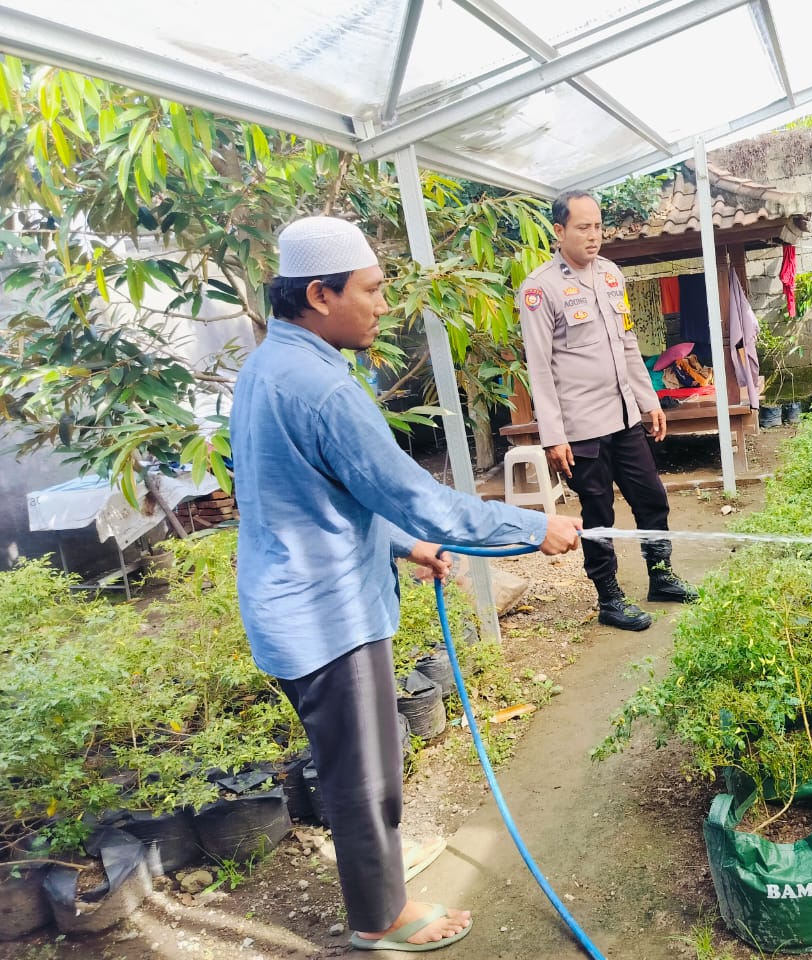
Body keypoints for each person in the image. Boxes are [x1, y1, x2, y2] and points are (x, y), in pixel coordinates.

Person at [231, 216, 582, 953]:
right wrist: (530, 528)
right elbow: (416, 496)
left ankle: (378, 880)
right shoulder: (322, 389)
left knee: (364, 763)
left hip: (297, 600)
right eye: (372, 290)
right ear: (321, 294)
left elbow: (319, 495)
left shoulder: (271, 366)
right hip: (326, 617)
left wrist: (404, 545)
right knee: (364, 778)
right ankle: (378, 919)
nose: (384, 306)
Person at [518, 191, 698, 631]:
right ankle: (609, 599)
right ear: (559, 232)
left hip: (623, 417)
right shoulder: (539, 289)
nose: (593, 236)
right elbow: (539, 369)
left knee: (651, 496)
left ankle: (661, 576)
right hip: (580, 429)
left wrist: (648, 400)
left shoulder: (611, 275)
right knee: (599, 515)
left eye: (598, 226)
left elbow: (628, 344)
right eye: (583, 227)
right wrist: (554, 436)